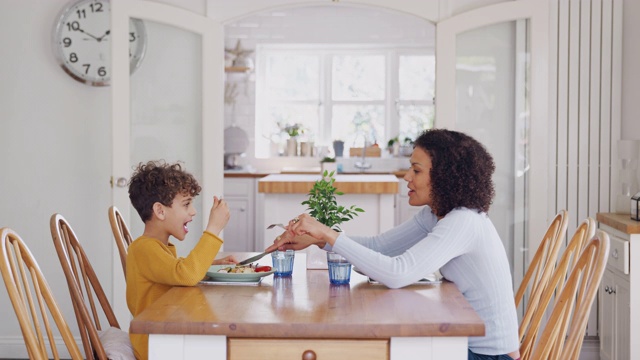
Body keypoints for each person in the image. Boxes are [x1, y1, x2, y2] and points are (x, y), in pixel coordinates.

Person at [267, 129, 521, 360]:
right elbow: (380, 247)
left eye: (417, 170)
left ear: (445, 177)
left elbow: (398, 273)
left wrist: (326, 232)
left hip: (487, 356)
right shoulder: (437, 214)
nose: (406, 176)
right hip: (464, 344)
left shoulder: (463, 221)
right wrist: (318, 240)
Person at [126, 160, 236, 360]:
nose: (193, 211)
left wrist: (213, 263)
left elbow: (175, 270)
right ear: (160, 211)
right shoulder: (144, 248)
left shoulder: (155, 247)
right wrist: (213, 228)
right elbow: (186, 274)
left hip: (164, 337)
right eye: (186, 204)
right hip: (155, 344)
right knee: (224, 346)